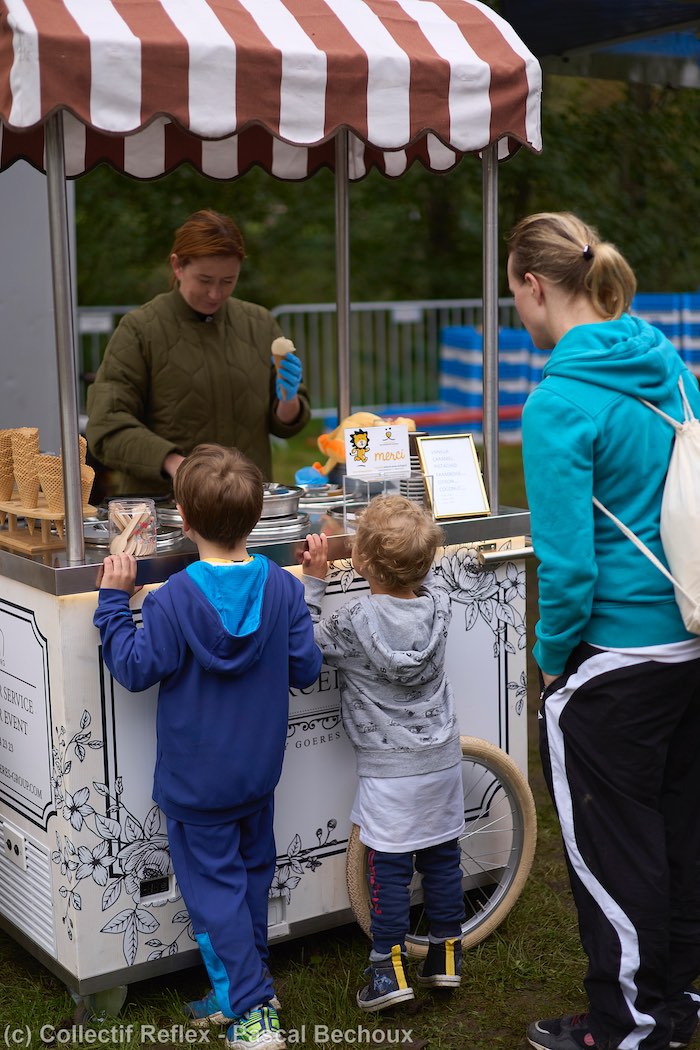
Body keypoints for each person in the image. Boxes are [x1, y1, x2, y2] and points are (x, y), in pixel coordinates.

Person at [507, 211, 700, 1050]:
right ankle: (675, 1003)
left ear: (533, 286)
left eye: (513, 295)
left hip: (613, 660)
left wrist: (549, 662)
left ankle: (629, 1027)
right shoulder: (671, 365)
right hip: (689, 637)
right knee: (678, 833)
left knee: (615, 852)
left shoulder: (558, 403)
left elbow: (570, 572)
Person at [93, 443, 322, 1050]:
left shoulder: (171, 598)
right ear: (256, 517)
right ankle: (243, 989)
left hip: (197, 787)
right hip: (258, 774)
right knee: (249, 881)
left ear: (184, 519)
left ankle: (253, 1012)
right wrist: (312, 593)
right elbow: (305, 668)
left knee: (214, 896)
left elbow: (134, 668)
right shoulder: (282, 587)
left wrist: (113, 601)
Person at [302, 495, 465, 1012]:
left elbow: (305, 648)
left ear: (360, 561)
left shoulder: (353, 619)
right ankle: (445, 957)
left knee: (389, 869)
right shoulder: (439, 607)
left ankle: (387, 971)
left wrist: (313, 582)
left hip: (390, 771)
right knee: (442, 859)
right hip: (443, 761)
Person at [86, 209, 310, 495]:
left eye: (228, 281)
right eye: (204, 280)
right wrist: (176, 464)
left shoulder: (260, 323)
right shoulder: (140, 329)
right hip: (166, 505)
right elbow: (107, 425)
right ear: (177, 266)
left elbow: (285, 424)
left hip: (247, 503)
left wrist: (289, 400)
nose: (215, 293)